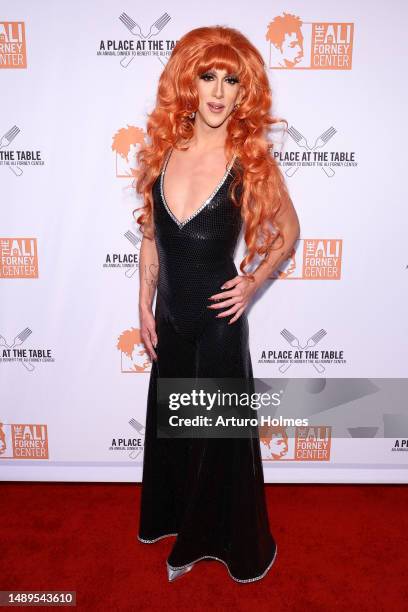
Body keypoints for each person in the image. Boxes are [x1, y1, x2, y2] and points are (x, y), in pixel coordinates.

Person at [133, 25, 300, 584]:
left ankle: (214, 544)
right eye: (208, 76)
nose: (219, 91)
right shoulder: (163, 151)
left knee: (215, 438)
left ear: (243, 91)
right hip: (171, 320)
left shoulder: (247, 160)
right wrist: (142, 302)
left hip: (219, 326)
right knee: (176, 429)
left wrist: (251, 282)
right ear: (189, 80)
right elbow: (152, 237)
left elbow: (288, 231)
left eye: (231, 80)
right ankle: (176, 519)